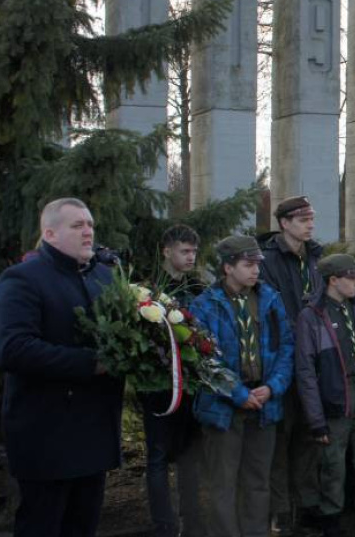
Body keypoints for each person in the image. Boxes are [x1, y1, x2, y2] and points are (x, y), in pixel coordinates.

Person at [0, 198, 122, 537]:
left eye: (90, 224)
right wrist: (92, 364)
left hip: (94, 434)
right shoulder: (21, 280)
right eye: (77, 226)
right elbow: (14, 349)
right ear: (49, 233)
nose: (88, 231)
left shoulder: (104, 278)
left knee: (83, 527)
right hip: (47, 437)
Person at [190, 235, 295, 537]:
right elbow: (201, 359)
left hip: (264, 402)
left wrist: (273, 387)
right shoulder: (204, 305)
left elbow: (286, 346)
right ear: (227, 267)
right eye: (248, 265)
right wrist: (238, 393)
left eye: (257, 265)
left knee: (258, 480)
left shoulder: (270, 299)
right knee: (223, 483)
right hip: (225, 407)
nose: (255, 271)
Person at [295, 254, 355, 537]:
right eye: (352, 278)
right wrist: (316, 419)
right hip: (334, 401)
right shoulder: (311, 316)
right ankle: (331, 522)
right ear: (333, 280)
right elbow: (306, 371)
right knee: (333, 466)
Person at [257, 195, 325, 533]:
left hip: (314, 361)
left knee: (309, 436)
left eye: (311, 218)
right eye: (302, 219)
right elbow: (267, 310)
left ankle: (307, 506)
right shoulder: (267, 260)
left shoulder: (317, 258)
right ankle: (280, 511)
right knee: (281, 439)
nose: (310, 224)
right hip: (282, 360)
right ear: (284, 223)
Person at [142, 224, 206, 537]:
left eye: (194, 251)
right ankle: (164, 525)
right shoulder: (149, 290)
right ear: (167, 251)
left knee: (190, 454)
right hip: (158, 385)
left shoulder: (197, 288)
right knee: (157, 456)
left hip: (192, 383)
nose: (191, 257)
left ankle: (192, 520)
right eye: (185, 251)